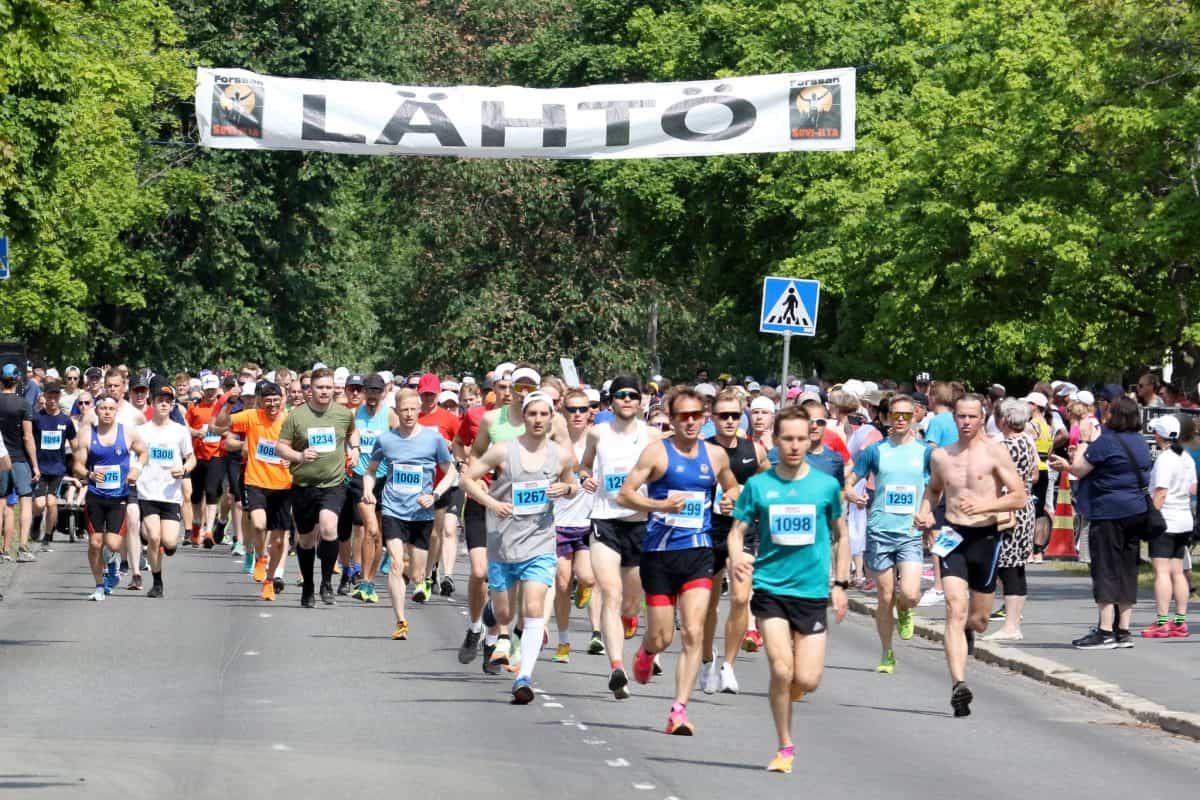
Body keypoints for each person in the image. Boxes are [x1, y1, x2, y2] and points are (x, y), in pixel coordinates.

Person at [726, 406, 849, 773]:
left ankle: (795, 687)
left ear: (811, 439)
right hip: (770, 587)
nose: (794, 446)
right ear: (775, 442)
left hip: (811, 591)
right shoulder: (759, 486)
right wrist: (737, 557)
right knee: (781, 670)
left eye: (800, 438)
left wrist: (840, 584)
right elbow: (737, 531)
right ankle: (785, 746)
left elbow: (842, 536)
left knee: (806, 679)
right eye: (787, 439)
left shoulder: (825, 486)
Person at [617, 387, 739, 735]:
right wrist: (659, 506)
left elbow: (732, 487)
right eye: (683, 416)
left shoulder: (715, 455)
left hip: (699, 551)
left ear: (704, 418)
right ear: (671, 419)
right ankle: (646, 651)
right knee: (662, 638)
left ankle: (679, 710)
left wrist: (730, 499)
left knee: (694, 631)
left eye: (696, 416)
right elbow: (625, 494)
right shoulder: (657, 452)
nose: (690, 422)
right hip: (658, 554)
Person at [460, 391, 576, 703]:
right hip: (503, 541)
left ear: (551, 418)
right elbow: (467, 479)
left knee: (533, 607)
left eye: (544, 414)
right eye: (532, 414)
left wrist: (566, 488)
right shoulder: (503, 450)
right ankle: (491, 612)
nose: (538, 420)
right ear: (523, 417)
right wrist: (492, 503)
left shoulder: (561, 455)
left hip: (540, 541)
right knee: (504, 612)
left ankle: (524, 676)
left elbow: (573, 484)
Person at [915, 394, 1027, 717]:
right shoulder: (941, 456)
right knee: (954, 607)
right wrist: (925, 511)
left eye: (971, 417)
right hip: (953, 535)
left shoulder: (994, 451)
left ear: (982, 418)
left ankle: (967, 632)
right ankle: (958, 684)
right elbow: (934, 490)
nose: (965, 422)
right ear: (954, 418)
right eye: (961, 416)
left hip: (986, 537)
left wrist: (985, 505)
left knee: (977, 620)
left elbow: (1019, 496)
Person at [578, 374, 660, 698]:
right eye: (621, 395)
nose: (627, 400)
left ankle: (631, 621)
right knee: (610, 593)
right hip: (605, 520)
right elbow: (584, 466)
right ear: (611, 401)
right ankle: (617, 668)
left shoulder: (652, 435)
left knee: (630, 603)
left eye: (632, 395)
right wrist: (585, 478)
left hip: (640, 523)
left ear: (641, 402)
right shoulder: (598, 433)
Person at [1050, 396, 1152, 649]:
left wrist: (1084, 441)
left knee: (1105, 568)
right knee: (1127, 569)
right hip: (1136, 510)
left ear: (1114, 416)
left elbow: (1079, 469)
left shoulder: (1106, 442)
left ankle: (1105, 630)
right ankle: (1124, 630)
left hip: (1108, 511)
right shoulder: (1139, 442)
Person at [845, 394, 930, 673]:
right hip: (880, 530)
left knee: (910, 593)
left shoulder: (925, 452)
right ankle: (886, 652)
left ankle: (905, 609)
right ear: (888, 417)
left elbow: (936, 487)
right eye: (896, 414)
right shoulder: (875, 451)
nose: (901, 419)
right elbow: (850, 481)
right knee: (884, 596)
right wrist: (851, 494)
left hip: (909, 532)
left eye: (906, 414)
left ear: (915, 416)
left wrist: (927, 511)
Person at [363, 388, 456, 640]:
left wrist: (435, 494)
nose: (409, 414)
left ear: (419, 410)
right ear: (396, 410)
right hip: (393, 508)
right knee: (395, 562)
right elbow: (370, 470)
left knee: (416, 572)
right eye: (404, 410)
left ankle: (420, 580)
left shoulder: (433, 439)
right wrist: (368, 490)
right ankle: (400, 621)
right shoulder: (386, 440)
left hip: (421, 513)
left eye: (414, 409)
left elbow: (451, 472)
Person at [702, 389, 769, 693]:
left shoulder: (754, 450)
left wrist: (747, 501)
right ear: (712, 417)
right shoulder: (703, 450)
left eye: (735, 415)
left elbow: (768, 485)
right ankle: (707, 660)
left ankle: (728, 666)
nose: (729, 421)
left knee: (741, 597)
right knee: (709, 603)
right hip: (709, 530)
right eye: (723, 415)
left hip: (743, 531)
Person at [274, 367, 359, 607]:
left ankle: (327, 583)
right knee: (306, 540)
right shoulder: (297, 416)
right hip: (303, 485)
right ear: (310, 389)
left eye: (328, 387)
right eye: (320, 387)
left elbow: (353, 432)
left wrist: (355, 449)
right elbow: (281, 446)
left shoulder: (343, 414)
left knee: (329, 528)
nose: (324, 391)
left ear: (334, 389)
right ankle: (309, 586)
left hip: (333, 483)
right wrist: (299, 456)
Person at [74, 393, 147, 601]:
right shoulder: (87, 434)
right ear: (96, 411)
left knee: (113, 544)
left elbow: (144, 452)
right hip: (95, 497)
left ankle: (113, 562)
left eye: (111, 409)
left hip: (118, 497)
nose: (107, 412)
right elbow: (77, 465)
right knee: (95, 543)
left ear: (116, 411)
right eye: (103, 408)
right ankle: (99, 585)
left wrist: (136, 469)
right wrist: (89, 474)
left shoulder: (127, 433)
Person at [984, 399, 1038, 641]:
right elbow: (1034, 473)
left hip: (1005, 507)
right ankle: (1013, 620)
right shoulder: (1028, 440)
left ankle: (1011, 624)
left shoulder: (1000, 445)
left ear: (1004, 420)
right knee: (1016, 565)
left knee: (1006, 565)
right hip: (1024, 505)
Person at [551, 388, 598, 664]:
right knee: (561, 581)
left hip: (589, 522)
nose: (578, 414)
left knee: (588, 577)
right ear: (563, 411)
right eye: (572, 409)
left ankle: (584, 587)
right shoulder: (554, 443)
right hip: (559, 521)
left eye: (583, 409)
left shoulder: (598, 441)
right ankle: (563, 640)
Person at [1139, 416, 1195, 637]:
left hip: (1166, 520)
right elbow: (1192, 488)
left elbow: (1161, 492)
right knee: (1178, 571)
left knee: (1161, 572)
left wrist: (1150, 518)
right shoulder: (1186, 458)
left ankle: (1162, 621)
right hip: (1184, 518)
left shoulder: (1164, 459)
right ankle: (1179, 621)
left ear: (1159, 436)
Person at [137, 386, 195, 597]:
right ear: (152, 403)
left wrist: (184, 469)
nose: (164, 404)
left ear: (172, 405)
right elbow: (132, 456)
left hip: (170, 494)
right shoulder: (142, 431)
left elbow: (191, 457)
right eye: (160, 400)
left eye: (168, 401)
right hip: (147, 492)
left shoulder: (180, 431)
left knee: (169, 542)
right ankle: (157, 582)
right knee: (154, 537)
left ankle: (157, 540)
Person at [0, 363, 39, 563]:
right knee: (25, 500)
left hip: (0, 459)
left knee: (2, 503)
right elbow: (28, 437)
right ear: (18, 381)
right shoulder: (24, 405)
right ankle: (23, 548)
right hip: (19, 459)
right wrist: (35, 465)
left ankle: (3, 550)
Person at [32, 381, 77, 552]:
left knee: (51, 503)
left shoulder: (65, 421)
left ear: (59, 397)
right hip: (40, 468)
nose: (52, 400)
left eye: (55, 397)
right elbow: (29, 441)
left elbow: (75, 444)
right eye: (49, 396)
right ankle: (36, 522)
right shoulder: (37, 419)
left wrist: (79, 462)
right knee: (39, 503)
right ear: (44, 397)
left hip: (57, 468)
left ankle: (47, 536)